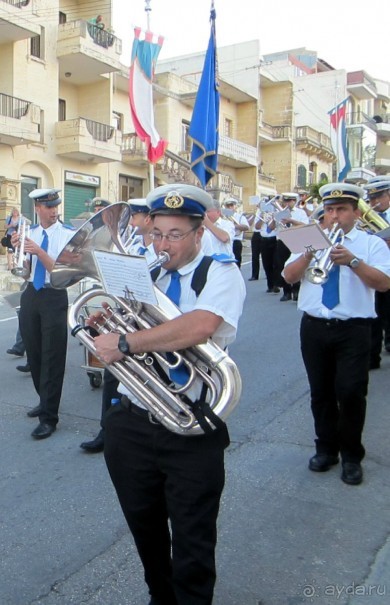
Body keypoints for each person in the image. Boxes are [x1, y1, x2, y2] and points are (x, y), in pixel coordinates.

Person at [92, 184, 246, 605]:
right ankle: (160, 597)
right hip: (132, 420)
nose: (162, 245)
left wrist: (127, 341)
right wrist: (102, 320)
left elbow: (200, 325)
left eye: (174, 235)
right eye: (156, 233)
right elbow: (116, 322)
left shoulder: (220, 271)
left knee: (193, 540)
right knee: (145, 529)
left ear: (199, 233)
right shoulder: (143, 268)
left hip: (190, 425)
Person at [284, 183, 390, 486]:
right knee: (321, 392)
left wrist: (353, 262)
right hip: (314, 326)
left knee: (352, 392)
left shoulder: (371, 244)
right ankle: (326, 449)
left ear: (356, 213)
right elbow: (288, 277)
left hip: (354, 328)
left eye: (341, 210)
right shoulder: (308, 237)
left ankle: (352, 456)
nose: (334, 216)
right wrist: (307, 254)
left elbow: (383, 284)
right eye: (329, 210)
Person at [80, 198, 156, 454]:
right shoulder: (133, 244)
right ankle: (107, 430)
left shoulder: (162, 252)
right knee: (113, 375)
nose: (131, 221)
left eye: (135, 216)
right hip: (128, 320)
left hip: (149, 327)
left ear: (149, 219)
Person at [13, 189, 74, 439]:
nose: (53, 211)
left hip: (54, 294)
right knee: (35, 353)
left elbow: (63, 273)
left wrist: (39, 252)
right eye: (47, 207)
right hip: (31, 294)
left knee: (53, 356)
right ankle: (43, 399)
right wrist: (20, 259)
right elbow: (26, 273)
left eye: (55, 206)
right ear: (37, 209)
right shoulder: (32, 234)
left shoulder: (68, 234)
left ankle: (49, 417)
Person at [363, 177, 390, 368]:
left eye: (378, 197)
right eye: (371, 199)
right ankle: (373, 355)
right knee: (373, 312)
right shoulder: (365, 220)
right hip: (374, 269)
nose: (374, 203)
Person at [275, 192, 308, 301]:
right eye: (286, 201)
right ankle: (286, 292)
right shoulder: (279, 212)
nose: (287, 203)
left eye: (290, 201)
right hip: (282, 240)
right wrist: (273, 218)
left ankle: (296, 291)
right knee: (282, 265)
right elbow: (271, 228)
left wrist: (291, 221)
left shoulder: (300, 212)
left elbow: (305, 225)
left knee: (296, 264)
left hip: (296, 240)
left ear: (294, 201)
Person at [223, 198, 249, 268]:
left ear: (235, 206)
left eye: (232, 205)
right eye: (228, 206)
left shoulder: (240, 216)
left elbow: (246, 227)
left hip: (236, 240)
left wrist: (233, 226)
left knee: (236, 263)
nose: (230, 207)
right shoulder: (222, 216)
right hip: (225, 241)